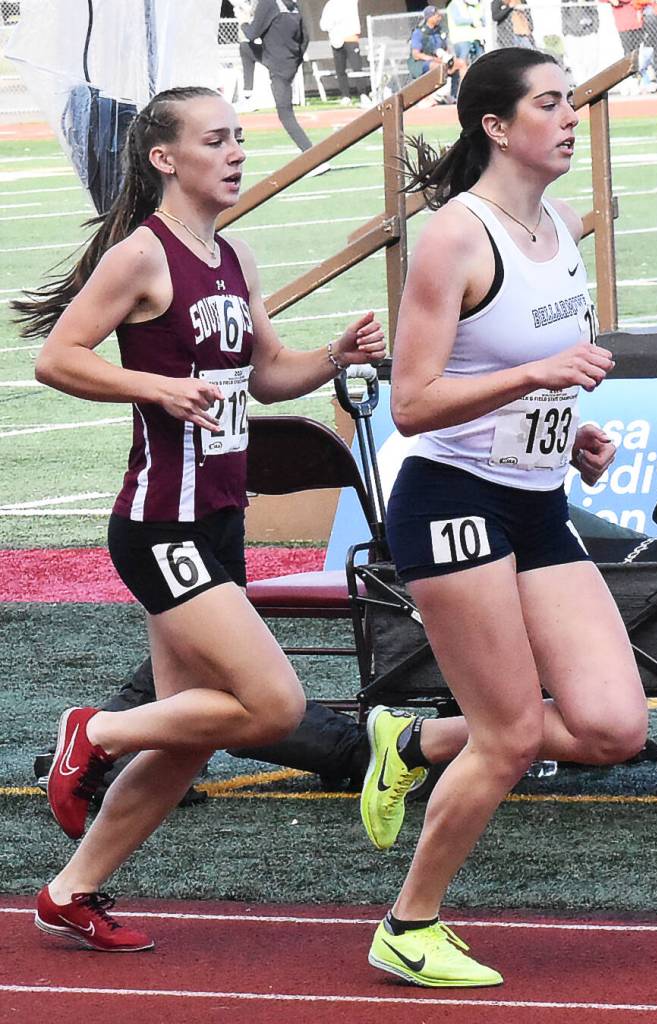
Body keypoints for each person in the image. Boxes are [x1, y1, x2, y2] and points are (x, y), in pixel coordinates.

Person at [13, 84, 384, 953]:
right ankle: (95, 730)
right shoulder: (141, 256)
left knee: (186, 734)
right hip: (160, 526)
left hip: (218, 519)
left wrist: (332, 357)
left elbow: (269, 376)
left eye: (238, 137)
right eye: (215, 140)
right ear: (164, 158)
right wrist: (156, 386)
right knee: (271, 704)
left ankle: (71, 892)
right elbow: (57, 359)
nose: (236, 153)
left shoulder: (235, 255)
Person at [358, 47, 648, 988]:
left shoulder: (557, 223)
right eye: (550, 104)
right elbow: (412, 403)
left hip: (534, 500)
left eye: (571, 102)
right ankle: (408, 925)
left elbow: (522, 372)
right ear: (495, 125)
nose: (569, 118)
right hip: (451, 501)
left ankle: (412, 740)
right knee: (513, 735)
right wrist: (534, 377)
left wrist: (567, 435)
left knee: (613, 728)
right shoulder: (454, 236)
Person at [235, 0, 315, 155]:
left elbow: (251, 34)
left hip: (277, 65)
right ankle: (248, 92)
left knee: (285, 114)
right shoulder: (293, 6)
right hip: (287, 62)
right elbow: (305, 38)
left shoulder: (268, 3)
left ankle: (311, 154)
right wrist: (296, 61)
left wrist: (243, 21)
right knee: (245, 49)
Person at [408, 6, 467, 103]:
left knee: (461, 63)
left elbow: (445, 48)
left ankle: (459, 94)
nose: (439, 17)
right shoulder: (419, 32)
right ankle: (435, 96)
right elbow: (416, 55)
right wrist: (434, 59)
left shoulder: (439, 31)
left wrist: (448, 57)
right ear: (429, 17)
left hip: (441, 59)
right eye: (436, 15)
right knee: (438, 67)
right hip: (422, 63)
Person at [319, 0, 370, 106]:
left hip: (350, 38)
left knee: (357, 68)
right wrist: (332, 26)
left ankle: (363, 94)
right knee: (340, 70)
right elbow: (324, 24)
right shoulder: (330, 4)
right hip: (336, 40)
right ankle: (345, 95)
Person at [561, 0, 600, 86]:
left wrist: (594, 28)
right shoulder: (567, 2)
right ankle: (581, 84)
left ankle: (590, 83)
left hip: (588, 33)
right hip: (573, 34)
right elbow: (564, 14)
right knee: (576, 61)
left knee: (591, 60)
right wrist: (566, 31)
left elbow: (594, 12)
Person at [445, 0, 485, 67]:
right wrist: (473, 20)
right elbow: (457, 20)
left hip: (472, 38)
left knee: (479, 60)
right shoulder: (454, 4)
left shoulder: (466, 4)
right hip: (460, 39)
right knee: (463, 63)